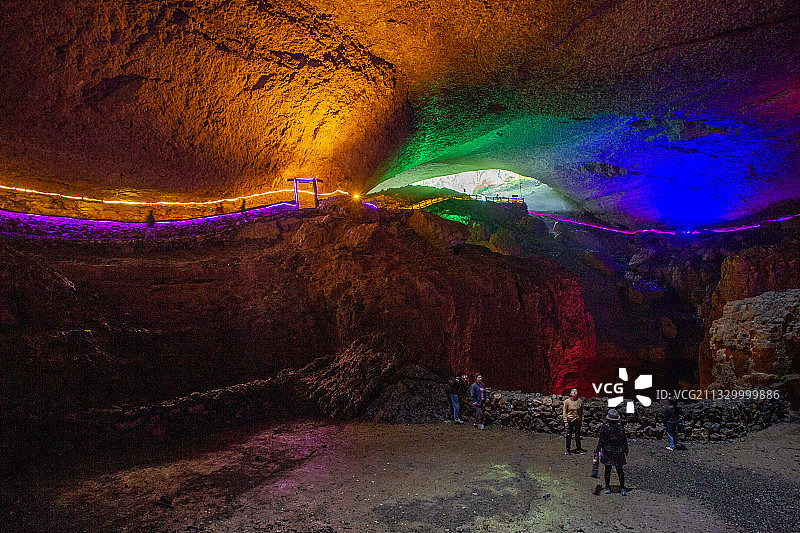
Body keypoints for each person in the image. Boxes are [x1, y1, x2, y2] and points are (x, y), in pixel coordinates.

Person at [595, 408, 628, 495]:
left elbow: (601, 440)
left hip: (608, 450)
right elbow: (624, 440)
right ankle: (621, 488)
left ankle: (607, 486)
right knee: (619, 470)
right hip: (618, 451)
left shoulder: (605, 428)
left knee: (608, 469)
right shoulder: (620, 428)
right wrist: (625, 450)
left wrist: (598, 450)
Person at [563, 388, 585, 455]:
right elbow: (565, 412)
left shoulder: (580, 402)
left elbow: (582, 412)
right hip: (570, 420)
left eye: (576, 392)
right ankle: (567, 449)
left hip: (577, 420)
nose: (574, 393)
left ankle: (578, 448)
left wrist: (582, 420)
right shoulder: (567, 401)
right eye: (573, 392)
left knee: (577, 435)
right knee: (569, 435)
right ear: (570, 394)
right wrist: (565, 421)